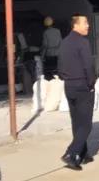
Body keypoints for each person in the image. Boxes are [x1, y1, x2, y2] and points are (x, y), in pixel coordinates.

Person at [56, 14, 95, 170]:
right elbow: (88, 65)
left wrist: (65, 77)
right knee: (86, 124)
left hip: (69, 86)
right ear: (75, 25)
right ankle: (71, 153)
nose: (88, 25)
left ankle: (83, 153)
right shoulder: (83, 42)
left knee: (77, 121)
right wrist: (91, 83)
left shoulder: (64, 42)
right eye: (85, 23)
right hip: (82, 85)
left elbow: (60, 64)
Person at [41, 16, 62, 80]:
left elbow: (45, 45)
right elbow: (61, 42)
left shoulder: (46, 32)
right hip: (57, 54)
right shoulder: (58, 31)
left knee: (49, 72)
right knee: (57, 71)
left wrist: (42, 56)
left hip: (49, 55)